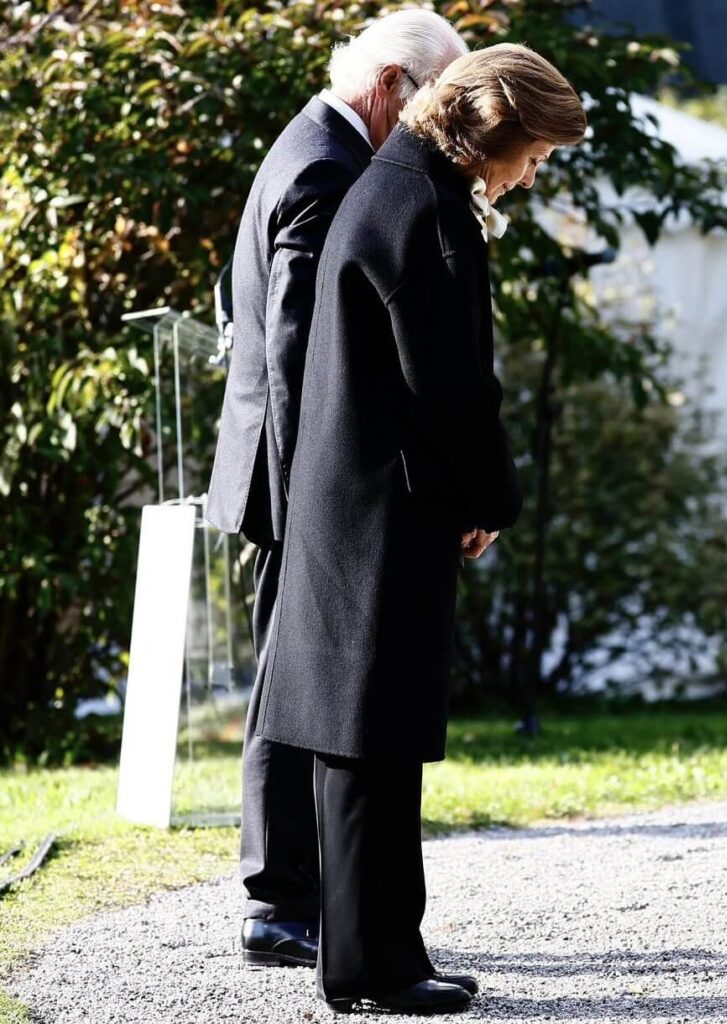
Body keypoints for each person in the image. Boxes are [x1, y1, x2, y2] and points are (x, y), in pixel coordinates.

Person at [257, 43, 587, 1013]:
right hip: (383, 510)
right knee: (372, 742)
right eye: (532, 153)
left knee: (362, 744)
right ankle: (376, 965)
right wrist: (488, 498)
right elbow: (449, 387)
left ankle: (367, 957)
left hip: (351, 497)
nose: (531, 173)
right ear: (494, 132)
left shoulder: (386, 186)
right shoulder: (425, 210)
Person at [203, 8, 468, 985]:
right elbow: (292, 348)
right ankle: (279, 900)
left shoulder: (311, 139)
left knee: (291, 677)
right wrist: (309, 497)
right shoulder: (326, 164)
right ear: (394, 89)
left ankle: (291, 897)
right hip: (292, 474)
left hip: (277, 466)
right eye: (435, 101)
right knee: (294, 685)